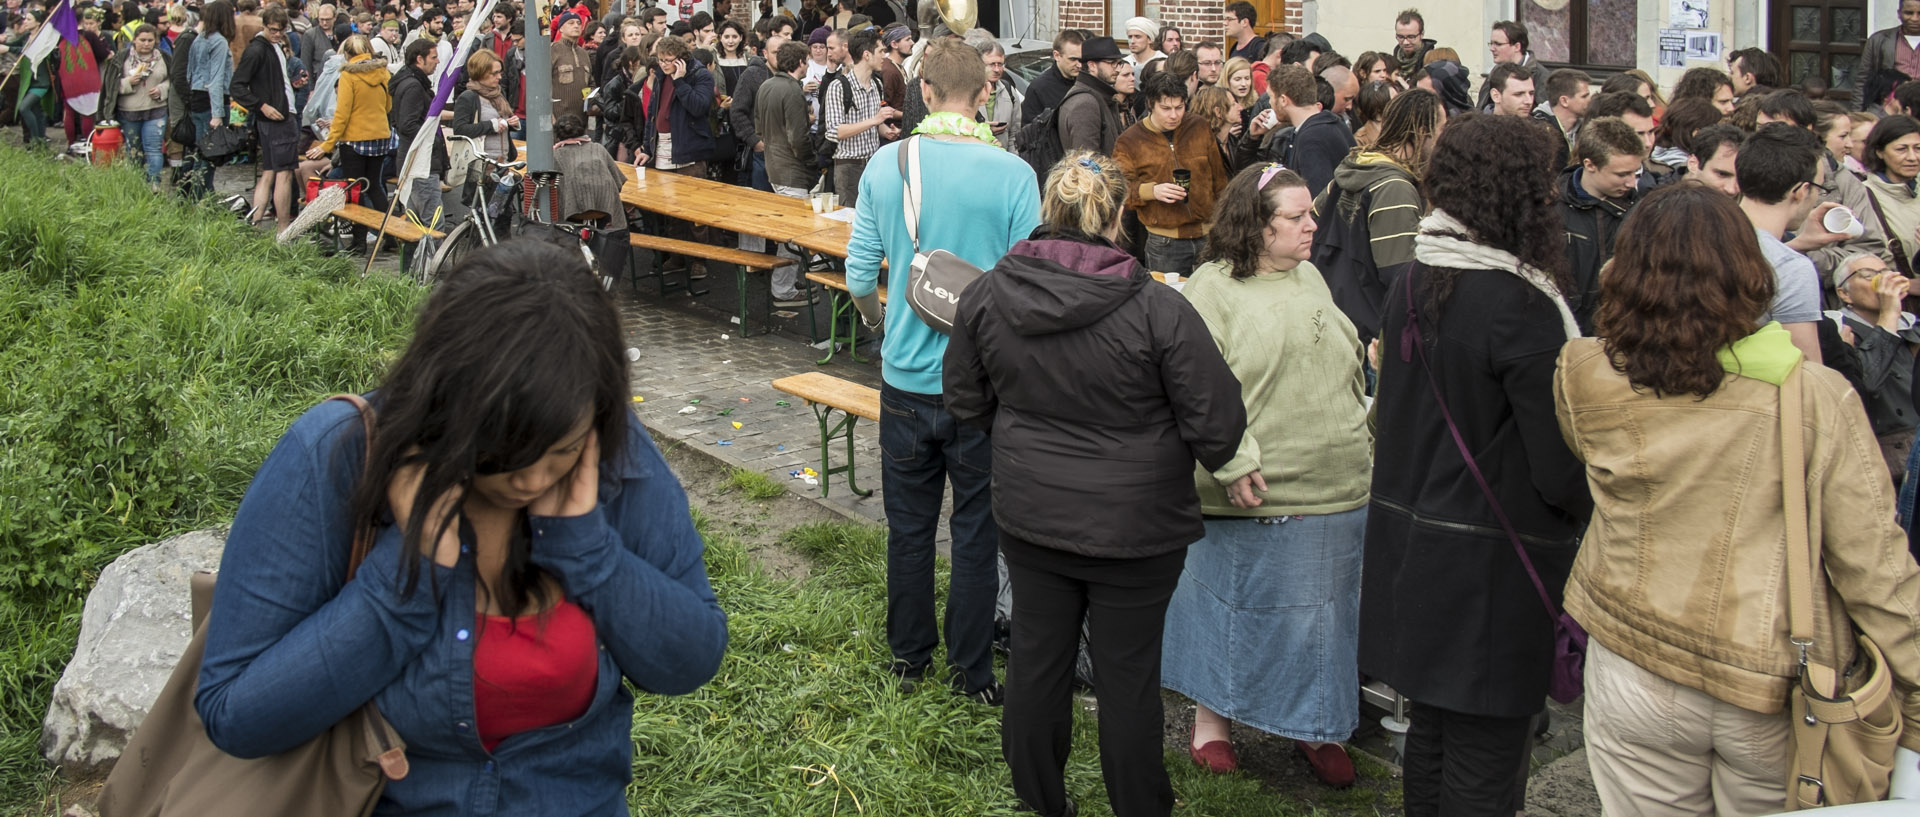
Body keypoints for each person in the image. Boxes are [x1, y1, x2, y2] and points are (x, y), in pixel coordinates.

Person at [196, 239, 728, 814]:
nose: (530, 479)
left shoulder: (613, 450)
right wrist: (404, 585)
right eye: (503, 452)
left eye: (560, 451)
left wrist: (591, 554)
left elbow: (690, 661)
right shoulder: (333, 455)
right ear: (442, 400)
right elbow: (234, 717)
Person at [1556, 183, 1920, 816]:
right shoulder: (1813, 396)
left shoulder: (1583, 368)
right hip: (1768, 676)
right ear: (1753, 274)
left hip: (1633, 654)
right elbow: (1875, 568)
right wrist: (1914, 695)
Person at [944, 149, 1245, 817]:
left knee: (1037, 661)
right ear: (1119, 220)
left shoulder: (990, 293)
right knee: (1126, 678)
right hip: (1132, 525)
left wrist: (1026, 436)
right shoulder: (1156, 309)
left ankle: (1040, 798)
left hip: (1036, 511)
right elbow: (1218, 424)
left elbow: (966, 399)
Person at [1362, 112, 1593, 817]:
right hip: (1490, 557)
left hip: (1412, 540)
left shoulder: (1415, 276)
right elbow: (1555, 465)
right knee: (1487, 752)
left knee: (1430, 735)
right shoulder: (1520, 302)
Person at [1161, 160, 1371, 789]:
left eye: (1312, 212)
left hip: (1335, 484)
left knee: (1325, 620)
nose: (1314, 225)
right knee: (1228, 610)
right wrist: (1230, 459)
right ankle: (1212, 725)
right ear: (1255, 225)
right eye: (1297, 216)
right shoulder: (1211, 289)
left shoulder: (1310, 277)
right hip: (1253, 489)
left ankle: (1317, 724)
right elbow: (1191, 389)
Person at [845, 37, 1041, 710]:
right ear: (985, 94)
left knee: (908, 528)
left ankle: (908, 657)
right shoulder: (1014, 174)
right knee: (977, 532)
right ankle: (971, 670)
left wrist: (880, 326)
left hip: (904, 380)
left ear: (922, 91)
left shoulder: (885, 165)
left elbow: (856, 275)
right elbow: (1027, 290)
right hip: (982, 388)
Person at [1314, 88, 1444, 344]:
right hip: (1372, 331)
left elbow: (1311, 218)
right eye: (1441, 129)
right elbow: (1400, 275)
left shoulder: (1355, 166)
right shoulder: (1395, 187)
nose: (1443, 139)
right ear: (1421, 133)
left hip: (1333, 317)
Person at [1112, 72, 1227, 276]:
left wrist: (1223, 224)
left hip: (1209, 235)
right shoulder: (1130, 140)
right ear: (1150, 104)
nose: (1174, 115)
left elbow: (1219, 180)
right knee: (1167, 304)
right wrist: (1152, 191)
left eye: (1179, 107)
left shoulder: (1199, 127)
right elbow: (1118, 190)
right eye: (1165, 108)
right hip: (1164, 242)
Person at [1742, 123, 1839, 364]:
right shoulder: (1791, 268)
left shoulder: (1697, 232)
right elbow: (1807, 371)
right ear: (1801, 191)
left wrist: (1795, 244)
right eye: (1819, 188)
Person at [1828, 253, 1920, 480]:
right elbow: (1865, 382)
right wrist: (1889, 314)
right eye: (1869, 276)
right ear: (1844, 293)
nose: (1882, 282)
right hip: (1887, 457)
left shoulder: (1911, 325)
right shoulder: (1837, 332)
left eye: (1885, 274)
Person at [642, 34, 718, 277]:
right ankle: (676, 256)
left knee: (695, 210)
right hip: (663, 147)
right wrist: (646, 148)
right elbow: (652, 115)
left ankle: (699, 260)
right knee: (670, 209)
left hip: (689, 149)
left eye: (668, 60)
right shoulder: (660, 75)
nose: (664, 65)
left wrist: (681, 81)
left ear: (681, 59)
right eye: (661, 60)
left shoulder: (700, 75)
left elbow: (699, 107)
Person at [306, 34, 391, 249]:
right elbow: (388, 106)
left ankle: (359, 241)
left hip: (354, 140)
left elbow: (342, 114)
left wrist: (327, 145)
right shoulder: (382, 72)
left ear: (347, 54)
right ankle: (389, 235)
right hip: (380, 137)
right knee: (375, 187)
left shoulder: (348, 76)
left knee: (356, 188)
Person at [1561, 117, 1645, 332]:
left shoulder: (1645, 211)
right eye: (1622, 174)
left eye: (1636, 172)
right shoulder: (1550, 209)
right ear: (1590, 165)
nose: (1631, 183)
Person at [232, 6, 302, 232]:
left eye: (281, 30)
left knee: (270, 172)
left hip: (277, 114)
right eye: (273, 30)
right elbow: (237, 86)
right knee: (283, 174)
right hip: (278, 118)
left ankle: (255, 223)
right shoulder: (257, 50)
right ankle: (283, 229)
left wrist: (289, 87)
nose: (277, 34)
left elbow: (271, 81)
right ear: (264, 26)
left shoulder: (274, 46)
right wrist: (262, 106)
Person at [755, 40, 814, 306]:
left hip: (773, 164)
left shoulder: (767, 85)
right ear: (801, 62)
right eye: (807, 60)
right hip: (791, 169)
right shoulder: (792, 90)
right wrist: (812, 160)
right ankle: (784, 289)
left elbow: (760, 126)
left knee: (787, 233)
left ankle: (785, 284)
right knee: (792, 236)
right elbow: (798, 138)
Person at [823, 30, 896, 206]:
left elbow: (874, 123)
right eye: (880, 51)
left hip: (873, 163)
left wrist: (886, 131)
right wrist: (875, 120)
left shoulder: (877, 84)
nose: (884, 57)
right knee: (849, 221)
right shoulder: (839, 86)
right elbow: (834, 131)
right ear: (866, 55)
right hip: (848, 167)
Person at [99, 24, 171, 186]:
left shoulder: (164, 58)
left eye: (150, 40)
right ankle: (136, 184)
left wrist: (162, 89)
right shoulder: (122, 58)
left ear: (155, 41)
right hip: (128, 112)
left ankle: (154, 184)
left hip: (156, 111)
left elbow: (172, 80)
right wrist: (127, 83)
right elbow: (109, 86)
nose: (146, 44)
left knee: (153, 149)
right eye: (142, 40)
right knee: (133, 151)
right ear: (134, 40)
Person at [1267, 62, 1352, 197]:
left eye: (1270, 97)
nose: (1270, 103)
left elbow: (1316, 200)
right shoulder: (1335, 125)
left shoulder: (1312, 138)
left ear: (1283, 100)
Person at [389, 37, 447, 234]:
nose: (437, 61)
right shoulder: (413, 86)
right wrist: (433, 139)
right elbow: (407, 124)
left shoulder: (409, 82)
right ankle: (432, 263)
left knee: (413, 222)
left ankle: (415, 264)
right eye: (433, 57)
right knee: (432, 222)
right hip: (420, 163)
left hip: (412, 159)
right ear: (419, 60)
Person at [183, 0, 236, 200]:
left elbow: (189, 72)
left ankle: (194, 197)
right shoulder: (219, 41)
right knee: (209, 155)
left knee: (198, 152)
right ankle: (200, 200)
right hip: (212, 101)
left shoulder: (199, 39)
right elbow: (215, 80)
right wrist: (218, 114)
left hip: (196, 97)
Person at [1865, 115, 1920, 277]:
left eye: (1918, 148)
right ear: (1879, 152)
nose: (1912, 157)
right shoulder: (1864, 195)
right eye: (1901, 149)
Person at [1058, 35, 1125, 155]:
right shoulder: (1085, 104)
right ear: (1092, 66)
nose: (1118, 69)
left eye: (1120, 63)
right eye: (1112, 63)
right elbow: (1087, 162)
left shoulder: (1100, 96)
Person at [1475, 20, 1549, 113]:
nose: (1492, 48)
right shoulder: (1495, 72)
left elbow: (1542, 116)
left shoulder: (1541, 77)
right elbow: (1480, 108)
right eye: (1491, 43)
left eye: (1498, 44)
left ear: (1517, 46)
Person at [1020, 29, 1081, 122]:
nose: (1079, 65)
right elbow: (1030, 131)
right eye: (1073, 59)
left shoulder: (1086, 83)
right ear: (1056, 55)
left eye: (1081, 59)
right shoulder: (1039, 88)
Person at [974, 36, 1019, 143]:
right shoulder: (967, 92)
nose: (997, 69)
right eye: (991, 64)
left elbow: (1015, 134)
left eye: (1000, 64)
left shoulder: (1009, 91)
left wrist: (1012, 158)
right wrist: (984, 131)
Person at [1533, 68, 1588, 156]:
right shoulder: (1537, 131)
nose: (1589, 100)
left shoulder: (1586, 128)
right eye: (1584, 96)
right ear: (1564, 101)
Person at [1390, 8, 1433, 88]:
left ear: (1422, 34)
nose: (1405, 42)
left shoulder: (1432, 61)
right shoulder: (1392, 60)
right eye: (1400, 37)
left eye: (1411, 37)